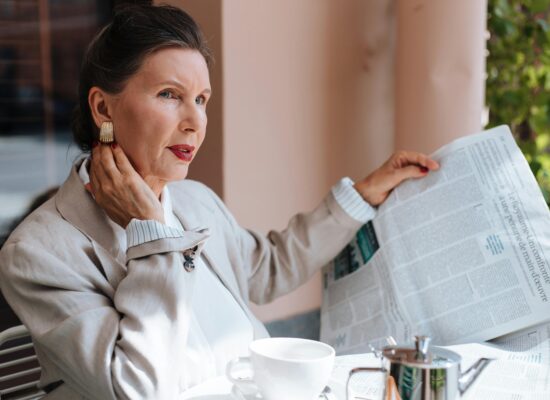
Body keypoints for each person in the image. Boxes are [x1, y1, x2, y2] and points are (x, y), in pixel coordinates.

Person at [0, 4, 439, 399]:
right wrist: (151, 230)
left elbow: (267, 268)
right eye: (169, 95)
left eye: (202, 100)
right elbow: (137, 387)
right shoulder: (37, 254)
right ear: (104, 108)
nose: (195, 122)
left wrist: (362, 197)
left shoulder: (194, 200)